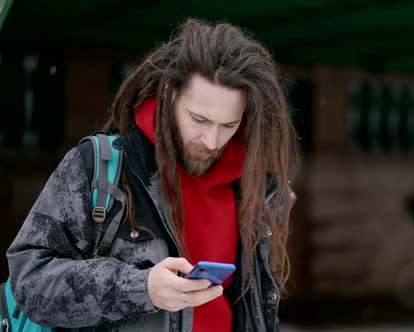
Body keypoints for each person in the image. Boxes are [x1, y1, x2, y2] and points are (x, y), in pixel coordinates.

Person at [6, 18, 300, 331]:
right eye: (199, 119)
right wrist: (140, 287)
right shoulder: (101, 166)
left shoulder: (256, 189)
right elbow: (30, 282)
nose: (212, 141)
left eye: (229, 125)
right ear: (169, 93)